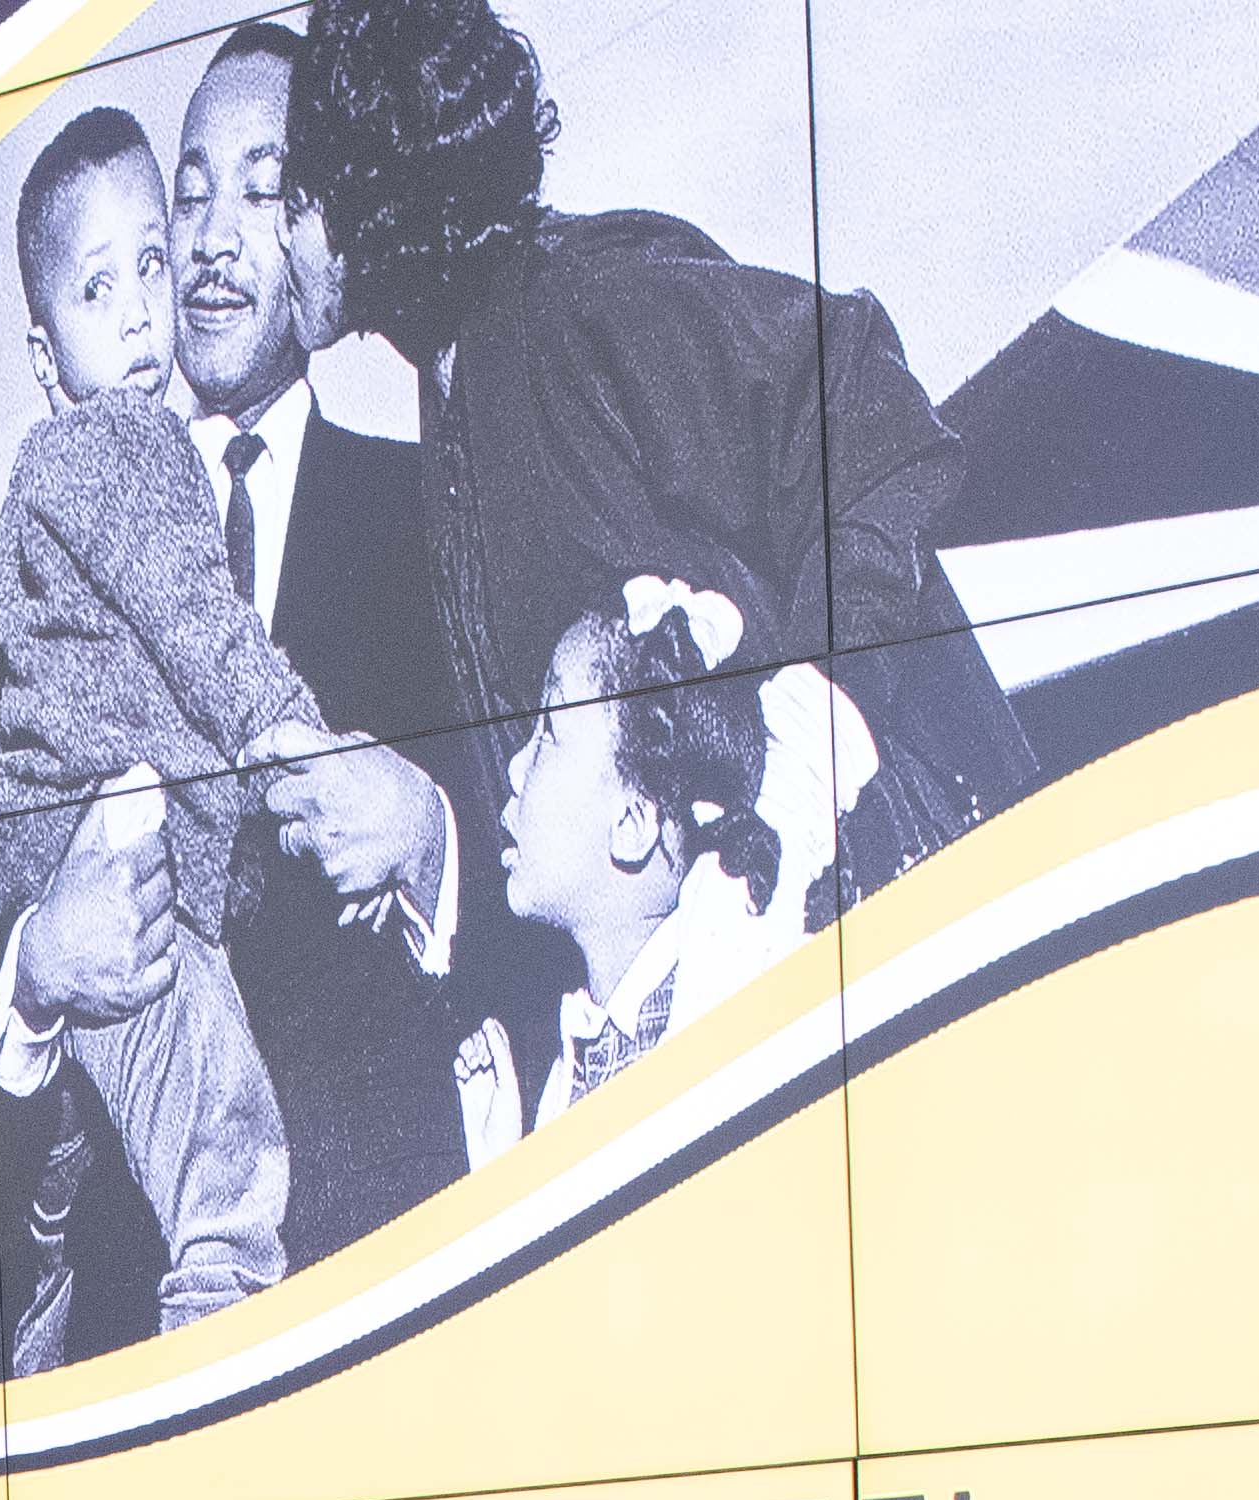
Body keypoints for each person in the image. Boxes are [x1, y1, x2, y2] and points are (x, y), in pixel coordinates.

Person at [287, 0, 1036, 913]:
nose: (277, 241)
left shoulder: (591, 303)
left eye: (293, 200)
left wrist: (827, 704)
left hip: (903, 901)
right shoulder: (456, 390)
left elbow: (864, 407)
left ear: (374, 204)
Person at [161, 18, 570, 1261]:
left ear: (322, 222)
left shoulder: (433, 511)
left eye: (264, 188)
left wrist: (431, 845)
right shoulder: (65, 552)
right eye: (188, 196)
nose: (217, 238)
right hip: (147, 1315)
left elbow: (561, 901)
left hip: (378, 1267)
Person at [0, 103, 335, 1358]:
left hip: (39, 817)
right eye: (97, 286)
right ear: (43, 348)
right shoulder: (135, 450)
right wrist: (289, 730)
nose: (136, 311)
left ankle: (53, 1257)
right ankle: (221, 1298)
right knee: (217, 1112)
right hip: (114, 829)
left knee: (100, 1128)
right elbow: (193, 617)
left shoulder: (39, 480)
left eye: (149, 269)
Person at [465, 587, 795, 1148]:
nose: (517, 767)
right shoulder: (580, 1058)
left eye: (548, 732)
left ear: (632, 825)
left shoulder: (709, 1054)